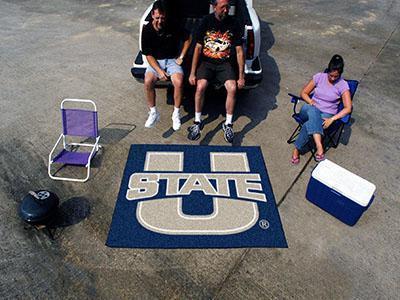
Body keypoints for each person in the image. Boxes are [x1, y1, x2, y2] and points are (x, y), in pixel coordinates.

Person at [187, 0, 245, 143]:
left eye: (228, 7)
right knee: (200, 87)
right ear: (214, 7)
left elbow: (239, 51)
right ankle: (197, 122)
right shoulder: (205, 21)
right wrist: (192, 72)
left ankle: (229, 124)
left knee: (232, 88)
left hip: (225, 63)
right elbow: (198, 48)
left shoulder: (234, 23)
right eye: (223, 7)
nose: (226, 10)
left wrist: (241, 77)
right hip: (207, 62)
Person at [291, 54, 352, 164]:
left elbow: (348, 108)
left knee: (308, 124)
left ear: (340, 74)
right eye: (331, 75)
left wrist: (332, 119)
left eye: (336, 76)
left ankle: (296, 150)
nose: (333, 78)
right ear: (328, 70)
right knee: (313, 110)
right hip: (308, 110)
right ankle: (319, 146)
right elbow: (303, 93)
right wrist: (310, 101)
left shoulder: (343, 85)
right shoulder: (319, 77)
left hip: (327, 115)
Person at [142, 1, 191, 130]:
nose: (160, 21)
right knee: (148, 81)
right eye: (157, 18)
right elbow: (148, 55)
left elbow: (188, 38)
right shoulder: (147, 30)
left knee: (179, 82)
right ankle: (153, 113)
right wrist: (159, 71)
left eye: (162, 18)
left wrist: (181, 56)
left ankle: (176, 114)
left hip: (171, 60)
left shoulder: (172, 24)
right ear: (152, 15)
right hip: (155, 61)